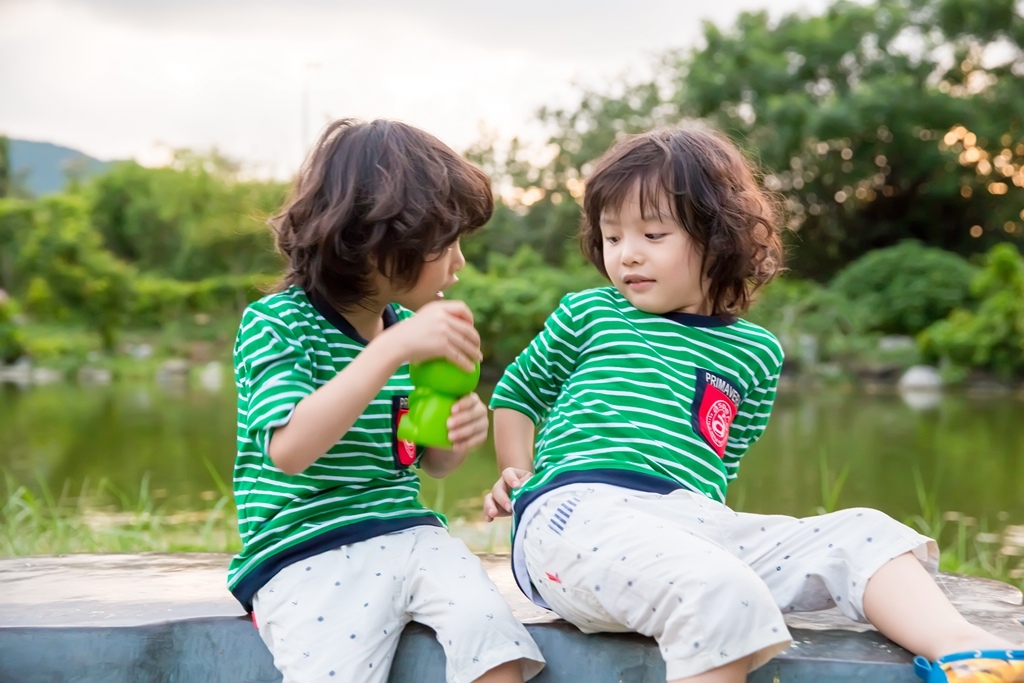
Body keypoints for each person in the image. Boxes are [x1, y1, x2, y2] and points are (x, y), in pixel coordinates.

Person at [483, 124, 1024, 683]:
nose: (628, 256)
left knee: (867, 530)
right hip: (578, 511)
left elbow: (719, 462)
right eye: (613, 237)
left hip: (693, 521)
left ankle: (967, 651)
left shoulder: (754, 352)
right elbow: (519, 393)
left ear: (719, 238)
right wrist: (516, 470)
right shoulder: (591, 313)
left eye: (653, 234)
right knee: (719, 590)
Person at [229, 118, 545, 683]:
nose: (459, 263)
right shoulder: (278, 324)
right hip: (304, 550)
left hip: (410, 531)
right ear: (376, 240)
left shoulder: (405, 331)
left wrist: (452, 430)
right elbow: (291, 450)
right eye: (445, 244)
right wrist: (391, 351)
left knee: (491, 637)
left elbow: (427, 460)